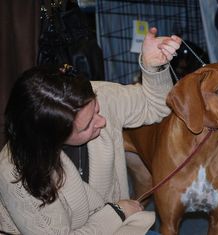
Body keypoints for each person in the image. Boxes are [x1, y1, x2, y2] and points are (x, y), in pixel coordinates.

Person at [0, 27, 181, 234]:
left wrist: (153, 67)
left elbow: (156, 106)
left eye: (96, 110)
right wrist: (117, 212)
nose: (102, 121)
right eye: (86, 126)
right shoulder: (15, 174)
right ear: (51, 139)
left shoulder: (97, 96)